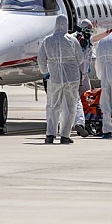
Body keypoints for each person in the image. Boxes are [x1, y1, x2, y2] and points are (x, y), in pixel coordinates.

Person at [38, 15, 84, 144]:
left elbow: (41, 60)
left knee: (53, 106)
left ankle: (50, 135)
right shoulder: (72, 40)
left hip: (55, 78)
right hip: (71, 78)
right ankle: (65, 135)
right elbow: (80, 58)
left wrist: (45, 71)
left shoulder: (47, 40)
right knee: (70, 107)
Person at [72, 19, 94, 138]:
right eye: (87, 29)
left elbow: (89, 54)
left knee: (88, 97)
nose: (89, 32)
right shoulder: (73, 39)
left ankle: (87, 121)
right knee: (75, 100)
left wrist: (88, 67)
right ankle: (77, 122)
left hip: (84, 73)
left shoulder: (89, 40)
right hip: (75, 73)